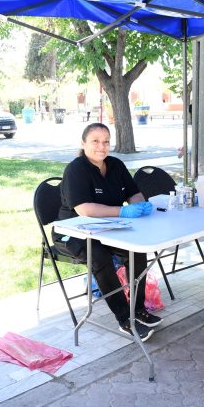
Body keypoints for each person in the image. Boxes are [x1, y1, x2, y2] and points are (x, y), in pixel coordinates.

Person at [52, 123, 162, 341]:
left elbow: (134, 194)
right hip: (73, 232)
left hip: (109, 228)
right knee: (99, 256)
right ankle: (124, 319)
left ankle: (137, 310)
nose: (101, 147)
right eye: (95, 141)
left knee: (136, 252)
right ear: (83, 143)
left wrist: (139, 205)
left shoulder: (116, 165)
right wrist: (123, 211)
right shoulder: (76, 169)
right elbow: (84, 209)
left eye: (106, 141)